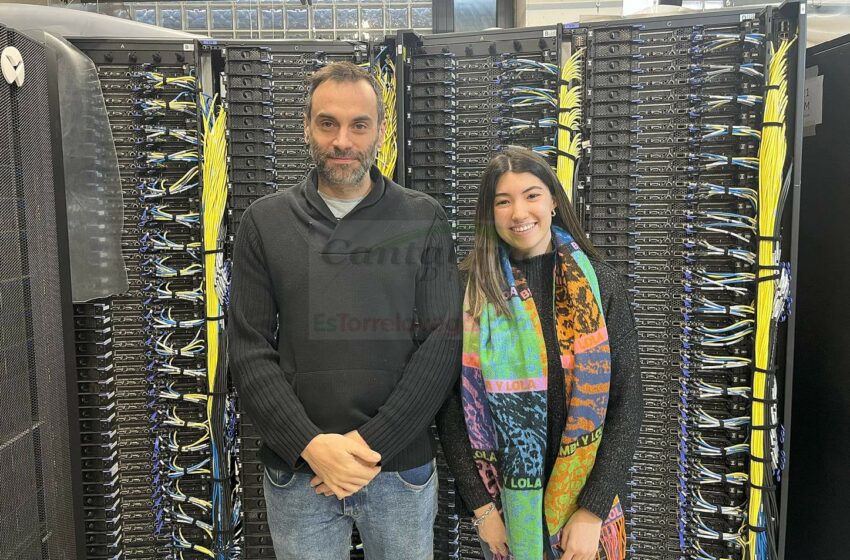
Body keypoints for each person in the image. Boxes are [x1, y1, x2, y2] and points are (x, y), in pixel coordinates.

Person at [228, 61, 462, 559]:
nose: (342, 141)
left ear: (380, 130)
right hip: (299, 475)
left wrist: (366, 447)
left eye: (359, 124)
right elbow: (248, 349)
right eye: (327, 123)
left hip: (399, 472)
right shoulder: (264, 223)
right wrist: (312, 446)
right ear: (308, 127)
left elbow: (442, 345)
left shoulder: (423, 219)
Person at [436, 147, 642, 560]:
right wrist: (483, 511)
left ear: (552, 201)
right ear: (489, 213)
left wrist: (592, 511)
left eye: (531, 195)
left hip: (585, 515)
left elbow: (628, 401)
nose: (519, 212)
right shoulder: (466, 292)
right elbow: (450, 408)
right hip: (503, 511)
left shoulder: (601, 286)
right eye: (503, 201)